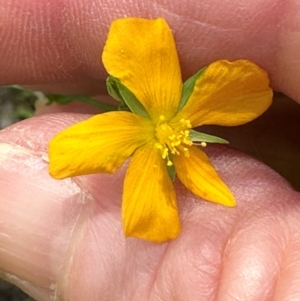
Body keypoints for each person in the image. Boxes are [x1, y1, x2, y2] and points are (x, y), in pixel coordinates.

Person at [0, 0, 300, 300]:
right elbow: (72, 151)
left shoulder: (204, 121)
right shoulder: (128, 120)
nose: (176, 137)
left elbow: (249, 87)